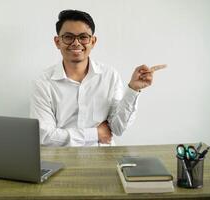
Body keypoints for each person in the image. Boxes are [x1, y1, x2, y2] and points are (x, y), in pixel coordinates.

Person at [30, 9, 154, 147]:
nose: (76, 43)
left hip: (103, 156)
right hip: (62, 157)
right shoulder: (43, 82)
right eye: (68, 37)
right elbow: (44, 135)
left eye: (83, 37)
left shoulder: (109, 75)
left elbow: (118, 128)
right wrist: (95, 134)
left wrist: (133, 90)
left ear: (93, 41)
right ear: (57, 41)